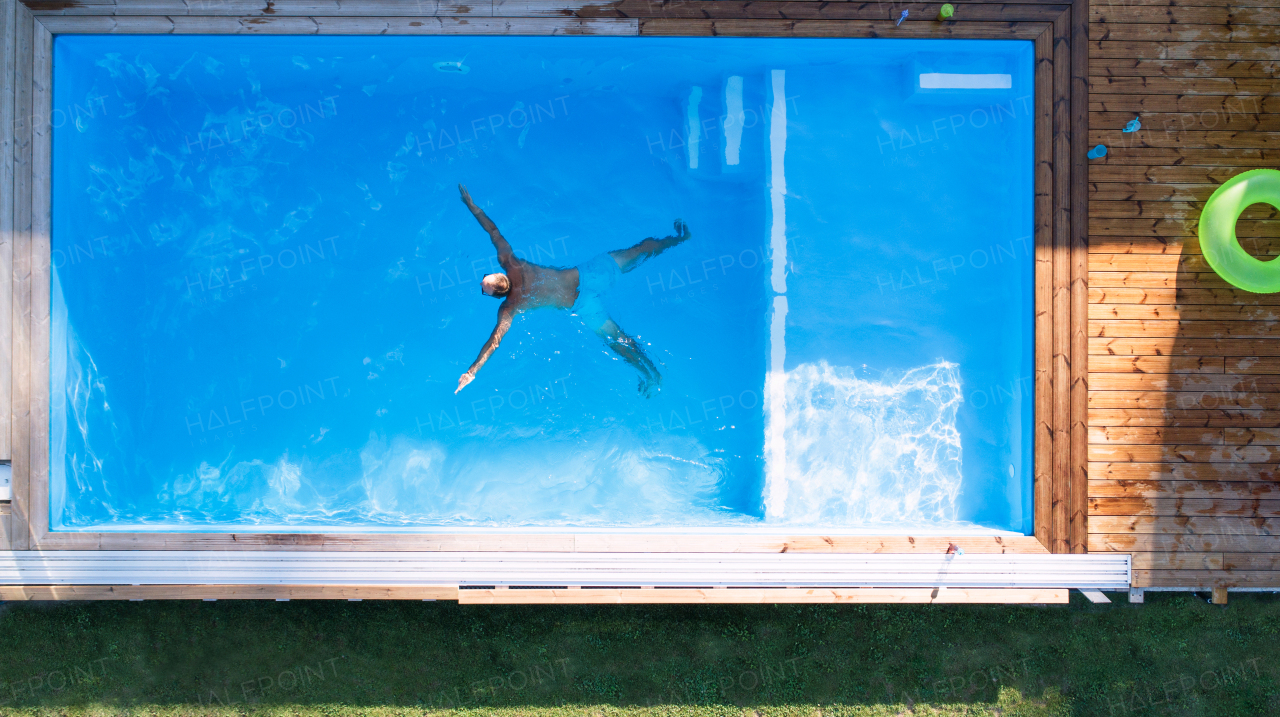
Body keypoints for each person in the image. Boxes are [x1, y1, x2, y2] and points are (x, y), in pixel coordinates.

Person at [454, 184, 691, 397]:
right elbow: (493, 232)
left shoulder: (510, 307)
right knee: (639, 250)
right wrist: (472, 206)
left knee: (618, 340)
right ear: (499, 275)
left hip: (582, 305)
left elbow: (494, 342)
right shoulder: (510, 262)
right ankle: (680, 238)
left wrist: (472, 372)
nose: (484, 278)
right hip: (588, 274)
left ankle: (652, 376)